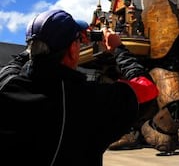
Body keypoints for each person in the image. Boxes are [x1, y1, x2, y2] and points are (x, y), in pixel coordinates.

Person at [0, 9, 158, 165]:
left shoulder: (7, 84)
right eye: (77, 41)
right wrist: (118, 48)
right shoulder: (91, 100)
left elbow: (12, 66)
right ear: (72, 49)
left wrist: (38, 44)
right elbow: (147, 89)